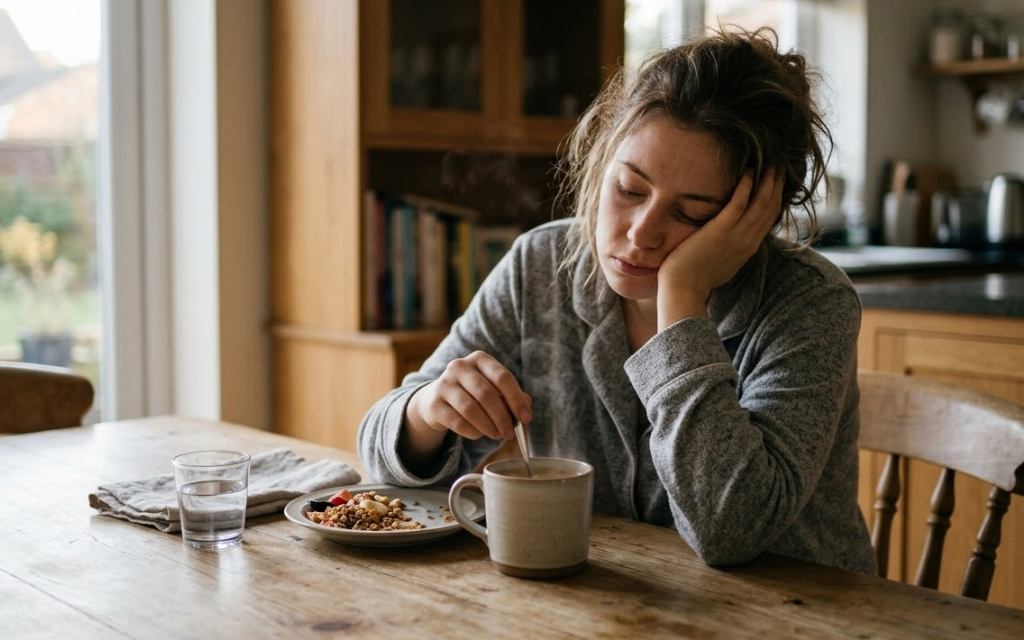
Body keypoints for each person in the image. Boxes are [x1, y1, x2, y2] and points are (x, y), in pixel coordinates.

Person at [358, 27, 876, 575]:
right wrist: (427, 413)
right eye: (629, 189)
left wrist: (682, 297)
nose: (641, 233)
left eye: (692, 214)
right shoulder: (541, 264)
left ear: (752, 219)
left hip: (798, 617)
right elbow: (380, 454)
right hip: (612, 609)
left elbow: (733, 528)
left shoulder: (811, 303)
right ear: (602, 160)